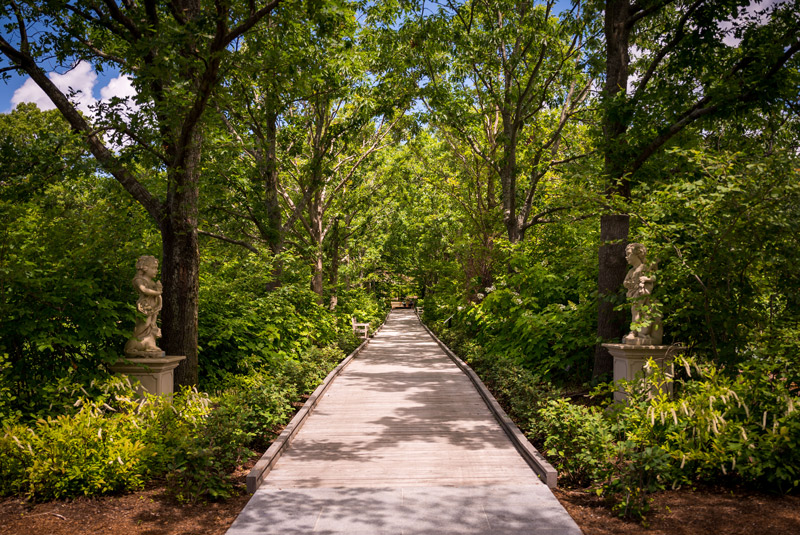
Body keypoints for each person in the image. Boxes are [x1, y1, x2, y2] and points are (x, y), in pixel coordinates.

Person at [622, 243, 662, 345]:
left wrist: (645, 278)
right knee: (636, 310)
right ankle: (639, 332)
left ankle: (634, 331)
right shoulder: (632, 270)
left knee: (635, 309)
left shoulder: (644, 267)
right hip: (633, 292)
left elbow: (654, 277)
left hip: (643, 291)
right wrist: (628, 284)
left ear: (638, 255)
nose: (626, 257)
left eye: (629, 254)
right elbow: (625, 282)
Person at [124, 255, 164, 356]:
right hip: (144, 305)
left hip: (153, 306)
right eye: (153, 268)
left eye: (157, 268)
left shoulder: (152, 281)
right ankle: (132, 344)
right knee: (144, 324)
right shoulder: (139, 279)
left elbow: (158, 294)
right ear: (145, 268)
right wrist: (157, 293)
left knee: (152, 325)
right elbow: (144, 290)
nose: (156, 271)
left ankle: (149, 344)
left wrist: (159, 302)